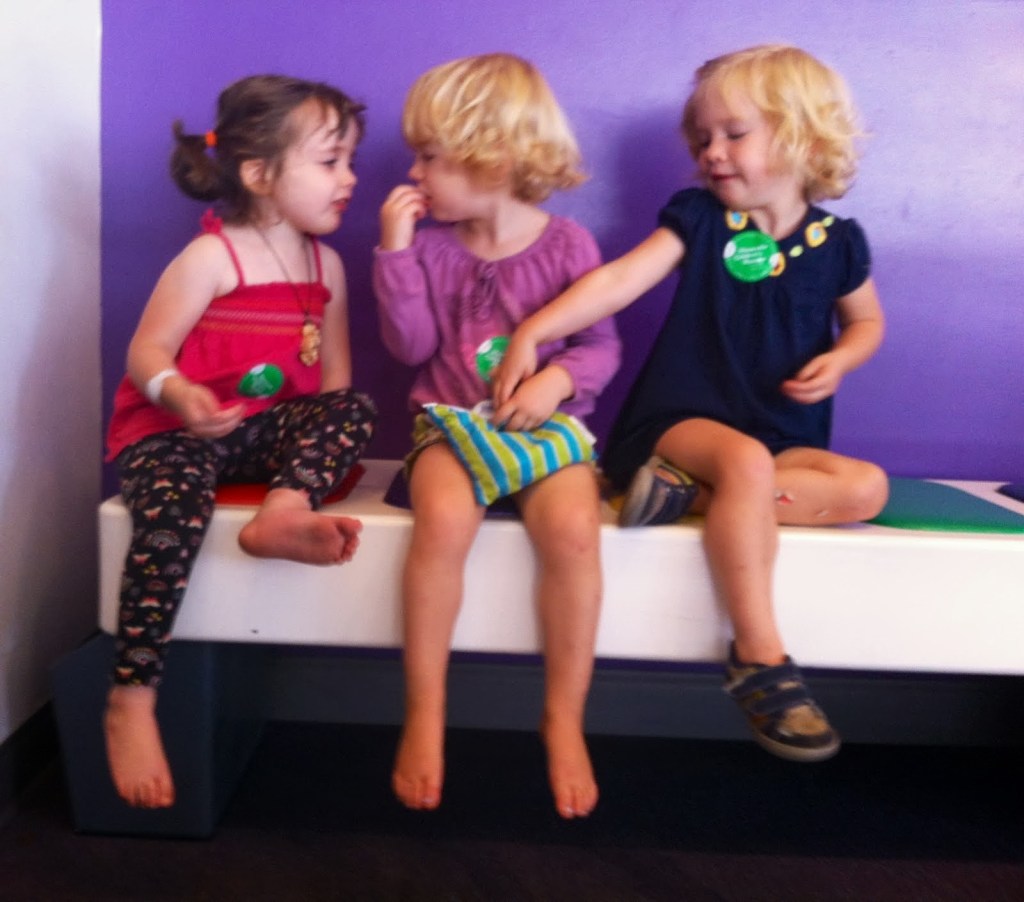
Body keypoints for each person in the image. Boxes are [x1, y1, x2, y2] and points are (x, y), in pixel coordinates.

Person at [494, 45, 889, 763]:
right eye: (702, 139)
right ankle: (760, 656)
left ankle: (688, 497)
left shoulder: (839, 245)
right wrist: (534, 331)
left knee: (866, 488)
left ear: (804, 138)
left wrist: (843, 358)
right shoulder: (700, 220)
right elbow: (618, 280)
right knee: (745, 463)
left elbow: (866, 322)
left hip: (781, 439)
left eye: (734, 134)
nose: (712, 153)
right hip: (678, 426)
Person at [104, 75, 377, 809]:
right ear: (258, 174)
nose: (350, 178)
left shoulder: (326, 266)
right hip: (176, 432)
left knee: (355, 406)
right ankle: (132, 695)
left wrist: (316, 458)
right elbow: (146, 352)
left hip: (262, 438)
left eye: (350, 161)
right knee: (172, 519)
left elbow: (333, 385)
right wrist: (180, 394)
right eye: (331, 161)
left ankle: (281, 514)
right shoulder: (212, 257)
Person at [374, 53, 620, 818]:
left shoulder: (569, 247)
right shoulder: (430, 247)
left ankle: (564, 718)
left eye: (429, 157)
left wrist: (557, 382)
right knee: (444, 521)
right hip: (450, 425)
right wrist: (395, 253)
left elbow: (600, 346)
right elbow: (410, 348)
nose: (413, 173)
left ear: (494, 159)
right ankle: (425, 711)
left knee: (575, 531)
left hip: (544, 429)